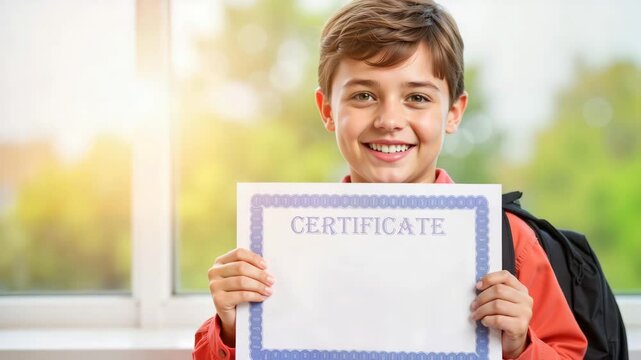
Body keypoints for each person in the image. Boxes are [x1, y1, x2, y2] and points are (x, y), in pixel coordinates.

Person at [192, 0, 588, 359]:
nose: (389, 120)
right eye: (364, 96)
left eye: (417, 98)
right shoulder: (281, 243)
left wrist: (518, 346)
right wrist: (230, 328)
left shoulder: (509, 241)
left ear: (453, 112)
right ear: (327, 109)